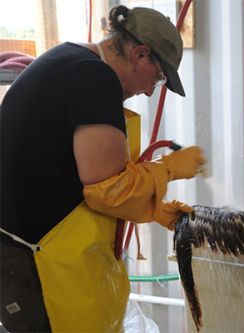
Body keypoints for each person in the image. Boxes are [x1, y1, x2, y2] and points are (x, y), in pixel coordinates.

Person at [0, 5, 205, 332]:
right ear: (140, 54)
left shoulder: (68, 60)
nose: (151, 90)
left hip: (26, 250)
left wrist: (155, 209)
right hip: (38, 260)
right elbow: (107, 190)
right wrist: (167, 170)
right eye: (159, 76)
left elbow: (67, 174)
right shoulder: (94, 77)